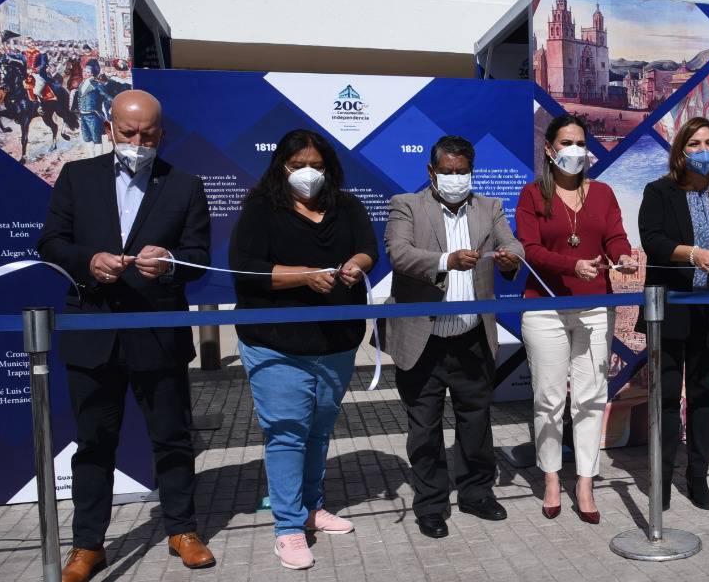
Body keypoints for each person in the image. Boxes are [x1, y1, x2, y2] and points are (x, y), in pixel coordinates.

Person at [37, 90, 214, 581]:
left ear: (163, 134)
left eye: (149, 135)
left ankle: (182, 529)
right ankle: (88, 545)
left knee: (172, 437)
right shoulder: (76, 177)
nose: (138, 142)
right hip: (93, 329)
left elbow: (199, 255)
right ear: (109, 128)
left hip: (157, 331)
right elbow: (51, 242)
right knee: (94, 442)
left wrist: (171, 262)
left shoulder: (184, 185)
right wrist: (88, 261)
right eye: (129, 132)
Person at [228, 129, 377, 570]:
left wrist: (356, 266)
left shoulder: (347, 205)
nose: (308, 173)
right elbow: (245, 269)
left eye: (316, 165)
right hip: (275, 342)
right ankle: (288, 527)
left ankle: (312, 506)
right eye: (298, 166)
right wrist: (304, 276)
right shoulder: (261, 207)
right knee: (287, 431)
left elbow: (368, 250)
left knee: (319, 429)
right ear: (281, 167)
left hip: (336, 342)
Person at [385, 135, 525, 539]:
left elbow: (511, 243)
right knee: (424, 428)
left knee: (475, 421)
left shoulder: (489, 207)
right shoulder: (406, 205)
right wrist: (446, 261)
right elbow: (399, 253)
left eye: (462, 172)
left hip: (471, 336)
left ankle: (476, 492)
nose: (455, 178)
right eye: (447, 171)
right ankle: (430, 504)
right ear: (431, 172)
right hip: (423, 338)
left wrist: (511, 257)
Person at [516, 115, 634, 523]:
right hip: (544, 307)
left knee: (590, 397)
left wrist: (622, 255)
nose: (575, 151)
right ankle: (551, 477)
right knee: (549, 398)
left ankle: (585, 481)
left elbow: (615, 235)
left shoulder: (602, 192)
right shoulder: (532, 194)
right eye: (567, 143)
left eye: (581, 143)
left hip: (595, 306)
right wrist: (572, 266)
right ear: (550, 149)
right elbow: (529, 249)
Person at [638, 117, 709, 510]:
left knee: (704, 396)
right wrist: (692, 254)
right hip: (670, 310)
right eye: (694, 144)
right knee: (667, 397)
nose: (702, 151)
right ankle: (662, 479)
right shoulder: (659, 192)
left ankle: (698, 477)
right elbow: (653, 241)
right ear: (680, 151)